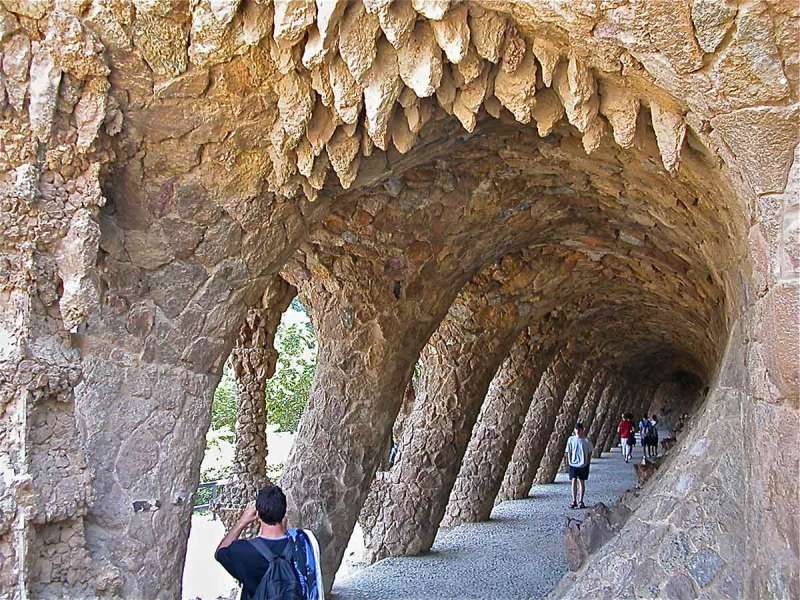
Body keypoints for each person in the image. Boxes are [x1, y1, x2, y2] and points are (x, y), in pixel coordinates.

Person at [215, 485, 324, 600]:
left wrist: (242, 522)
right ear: (284, 511)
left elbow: (220, 552)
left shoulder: (243, 551)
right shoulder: (304, 541)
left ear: (257, 515)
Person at [565, 421, 594, 509]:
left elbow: (590, 452)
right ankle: (574, 500)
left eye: (579, 429)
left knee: (581, 482)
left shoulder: (586, 440)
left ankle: (581, 500)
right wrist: (569, 461)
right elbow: (568, 451)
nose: (577, 431)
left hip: (583, 464)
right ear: (574, 430)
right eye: (576, 429)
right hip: (573, 464)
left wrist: (588, 462)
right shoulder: (571, 439)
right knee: (573, 481)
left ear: (582, 430)